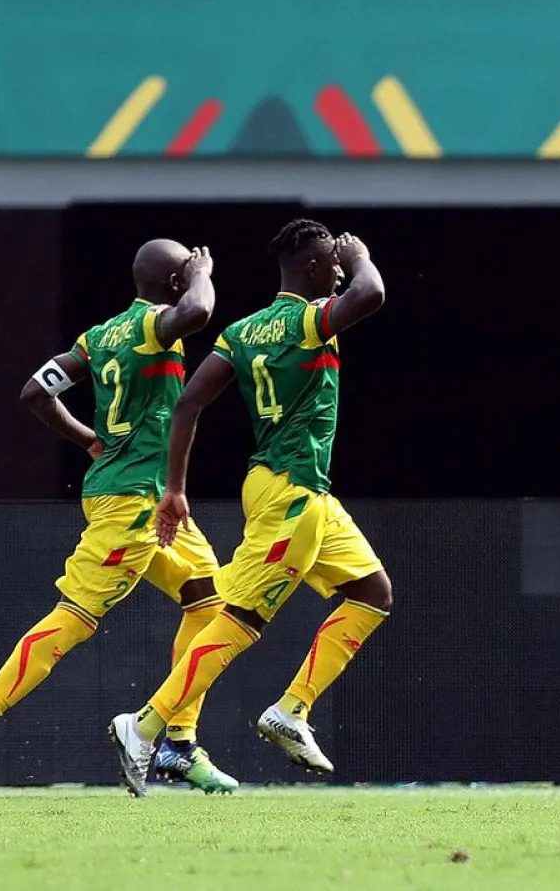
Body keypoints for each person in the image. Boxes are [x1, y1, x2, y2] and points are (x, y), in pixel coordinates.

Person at [0, 241, 238, 796]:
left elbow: (34, 392)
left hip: (137, 494)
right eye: (185, 276)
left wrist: (90, 443)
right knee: (74, 617)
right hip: (130, 503)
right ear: (174, 284)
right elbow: (198, 311)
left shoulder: (97, 338)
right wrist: (204, 272)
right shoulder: (156, 325)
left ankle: (177, 742)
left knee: (211, 602)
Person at [107, 219, 392, 797]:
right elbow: (372, 294)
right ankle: (145, 726)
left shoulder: (242, 331)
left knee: (372, 594)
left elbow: (187, 403)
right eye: (330, 263)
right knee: (239, 620)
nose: (339, 270)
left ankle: (291, 710)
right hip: (291, 493)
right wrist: (361, 257)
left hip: (294, 488)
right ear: (311, 269)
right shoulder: (311, 321)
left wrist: (175, 486)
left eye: (342, 263)